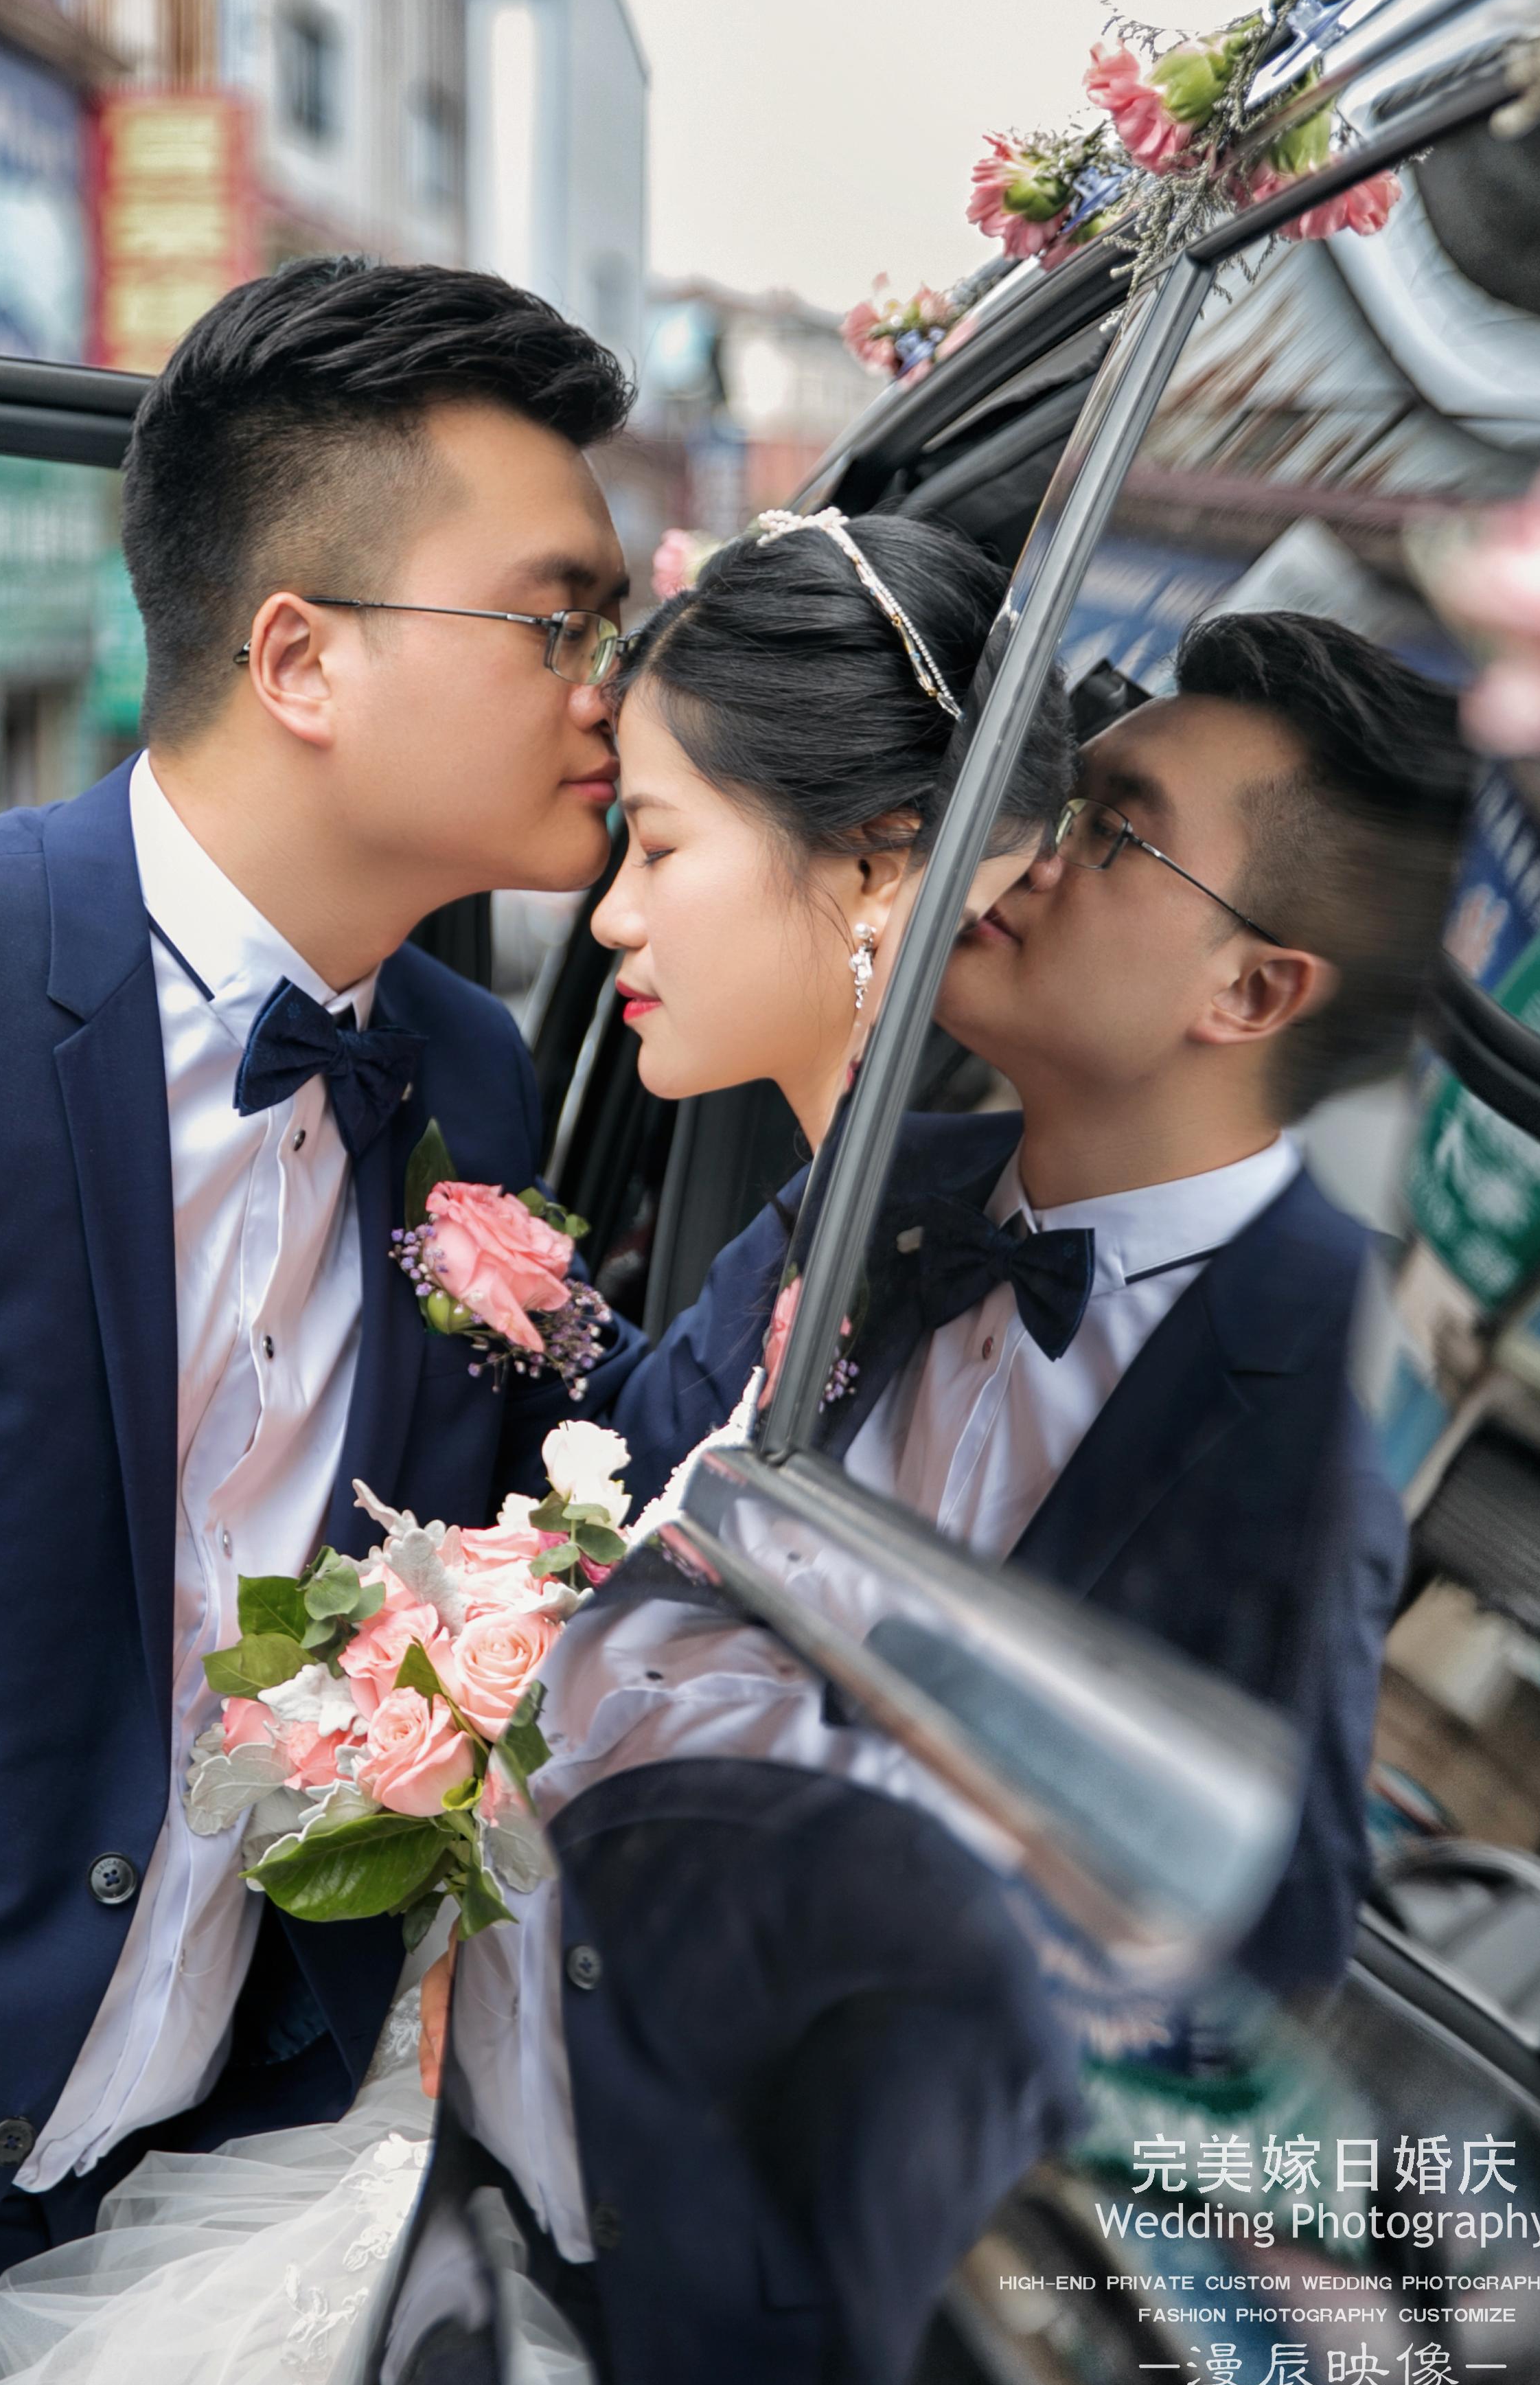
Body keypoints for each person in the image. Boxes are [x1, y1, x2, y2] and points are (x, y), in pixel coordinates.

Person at [0, 510, 1077, 2385]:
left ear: (884, 865)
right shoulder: (806, 1245)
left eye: (661, 845)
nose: (612, 914)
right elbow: (641, 1465)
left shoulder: (1013, 1287)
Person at [0, 255, 650, 2385]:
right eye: (558, 622)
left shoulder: (466, 1071)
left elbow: (578, 1496)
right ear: (301, 655)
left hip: (194, 2212)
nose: (610, 691)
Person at [619, 604, 1477, 2000]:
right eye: (1051, 804)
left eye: (1106, 832)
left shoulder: (1328, 1389)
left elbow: (1255, 1963)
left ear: (1253, 991)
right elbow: (619, 1490)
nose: (1022, 851)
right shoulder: (875, 1179)